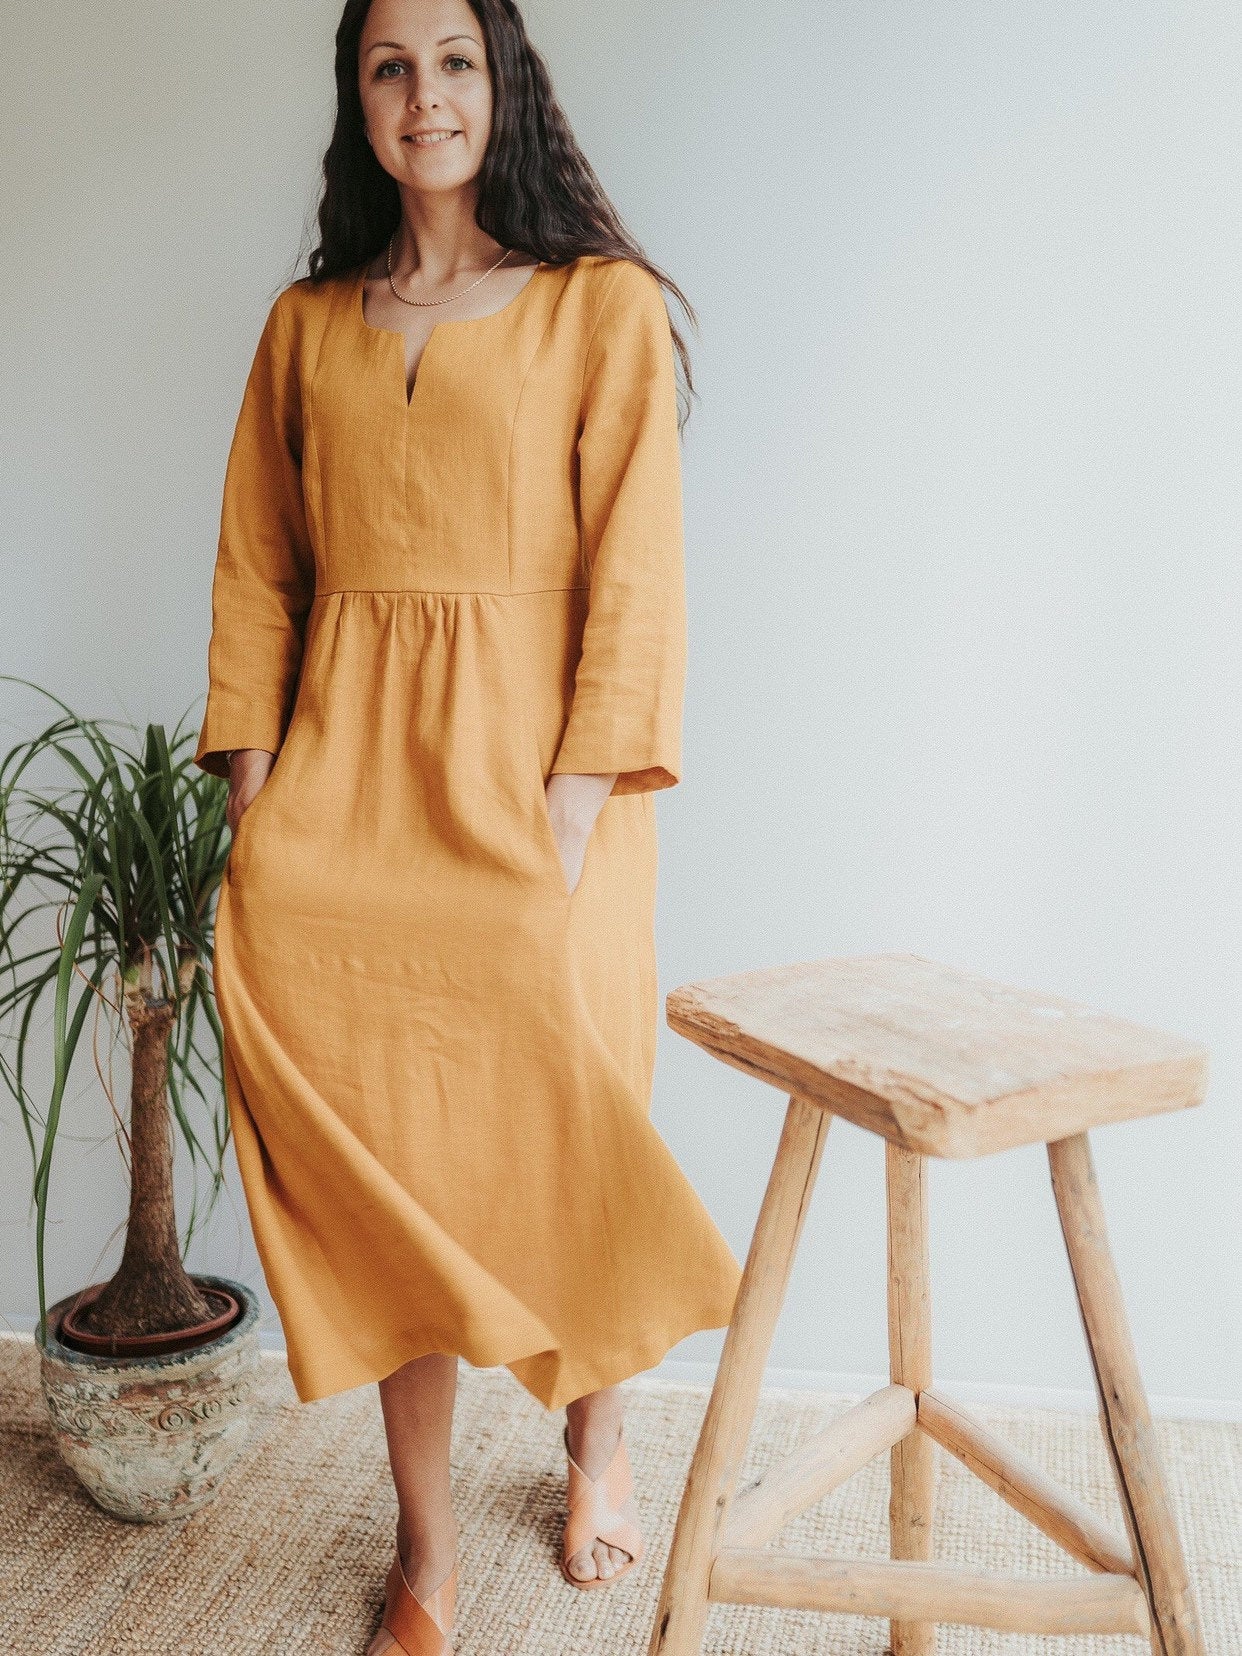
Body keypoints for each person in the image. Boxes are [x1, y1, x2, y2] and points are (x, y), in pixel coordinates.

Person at [194, 0, 743, 1649]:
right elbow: (254, 571)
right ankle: (423, 1551)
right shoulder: (306, 325)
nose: (422, 95)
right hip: (339, 800)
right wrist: (254, 801)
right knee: (381, 1173)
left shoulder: (602, 308)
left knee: (569, 1128)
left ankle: (601, 1431)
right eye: (388, 66)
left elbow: (634, 575)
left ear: (502, 84)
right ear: (356, 99)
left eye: (451, 61)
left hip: (535, 791)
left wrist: (567, 820)